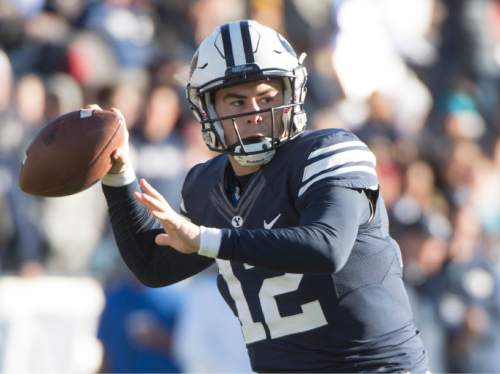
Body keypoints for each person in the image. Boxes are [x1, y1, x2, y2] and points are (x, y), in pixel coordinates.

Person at [98, 20, 429, 372]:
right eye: (237, 101)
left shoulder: (330, 152)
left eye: (267, 98)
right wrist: (118, 176)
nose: (255, 113)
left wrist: (206, 239)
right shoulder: (204, 185)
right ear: (207, 109)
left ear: (291, 95)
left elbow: (326, 246)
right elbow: (154, 267)